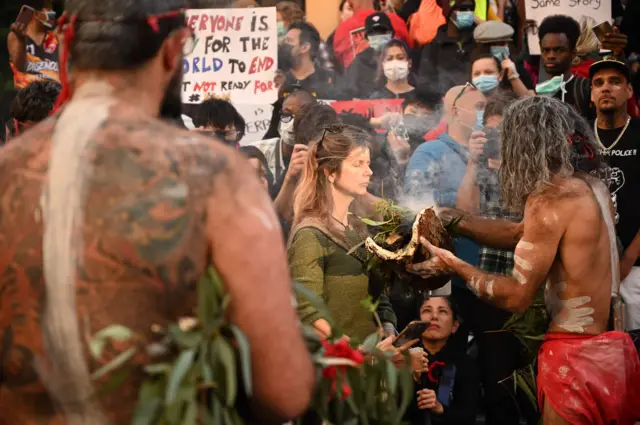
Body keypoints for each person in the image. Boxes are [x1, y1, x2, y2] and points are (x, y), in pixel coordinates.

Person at [0, 2, 315, 424]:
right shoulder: (214, 177)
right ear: (174, 50)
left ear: (68, 53)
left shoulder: (6, 172)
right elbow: (283, 391)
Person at [409, 96, 640, 425]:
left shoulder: (549, 199)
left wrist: (453, 265)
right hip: (612, 354)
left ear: (524, 144)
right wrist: (453, 218)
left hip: (573, 359)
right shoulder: (591, 187)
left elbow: (517, 296)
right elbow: (521, 233)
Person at [456, 91, 539, 425]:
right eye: (490, 132)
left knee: (532, 381)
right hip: (490, 284)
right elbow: (465, 212)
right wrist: (474, 162)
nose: (496, 139)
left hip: (530, 284)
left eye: (503, 131)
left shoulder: (532, 166)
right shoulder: (479, 165)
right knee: (497, 382)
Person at [289, 124, 397, 341]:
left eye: (368, 163)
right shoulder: (310, 235)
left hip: (370, 365)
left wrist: (387, 325)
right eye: (358, 164)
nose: (369, 171)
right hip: (337, 367)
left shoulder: (358, 229)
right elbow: (308, 313)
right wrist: (360, 355)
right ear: (330, 172)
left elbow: (376, 293)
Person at [590, 58, 640, 332]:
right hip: (588, 264)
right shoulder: (579, 137)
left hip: (635, 267)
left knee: (634, 344)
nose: (605, 88)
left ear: (629, 91)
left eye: (615, 81)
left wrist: (628, 261)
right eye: (598, 83)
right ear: (591, 95)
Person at [534, 15, 627, 121]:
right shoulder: (536, 88)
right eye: (545, 50)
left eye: (558, 50)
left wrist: (619, 56)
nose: (551, 56)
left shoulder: (584, 86)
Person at [404, 296, 479, 425]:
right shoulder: (402, 359)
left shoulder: (465, 365)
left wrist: (440, 408)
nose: (434, 317)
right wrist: (411, 378)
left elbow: (468, 416)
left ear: (455, 326)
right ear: (415, 323)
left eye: (442, 311)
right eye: (427, 310)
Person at [274, 103, 341, 226]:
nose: (320, 159)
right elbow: (273, 220)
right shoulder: (296, 170)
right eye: (315, 152)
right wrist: (289, 179)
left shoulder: (345, 167)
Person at [249, 89, 317, 194]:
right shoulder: (257, 152)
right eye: (286, 115)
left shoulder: (322, 156)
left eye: (301, 116)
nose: (292, 124)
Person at [417, 0, 477, 96]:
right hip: (443, 105)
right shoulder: (434, 47)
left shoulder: (478, 42)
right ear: (449, 12)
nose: (468, 13)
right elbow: (425, 83)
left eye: (471, 9)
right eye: (463, 9)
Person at [333, 0, 411, 70]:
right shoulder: (397, 21)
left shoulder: (342, 29)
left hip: (358, 81)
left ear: (350, 3)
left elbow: (339, 67)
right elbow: (409, 52)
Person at [7, 0, 60, 89]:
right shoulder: (15, 36)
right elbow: (20, 67)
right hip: (28, 97)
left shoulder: (56, 36)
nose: (52, 12)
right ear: (36, 14)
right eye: (48, 8)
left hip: (53, 95)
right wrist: (21, 40)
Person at [472, 20, 535, 92]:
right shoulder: (474, 68)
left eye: (502, 44)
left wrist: (513, 77)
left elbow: (531, 99)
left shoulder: (517, 68)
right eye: (494, 44)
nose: (500, 47)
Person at [279, 22, 336, 99]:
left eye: (289, 41)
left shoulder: (329, 79)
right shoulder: (279, 79)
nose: (284, 45)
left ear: (305, 47)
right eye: (284, 41)